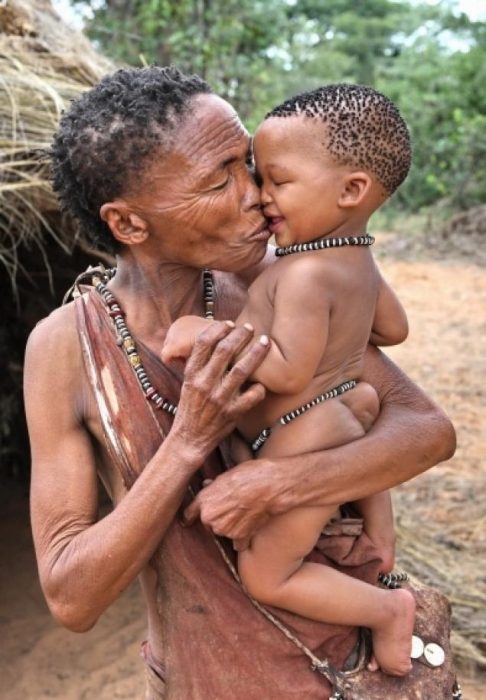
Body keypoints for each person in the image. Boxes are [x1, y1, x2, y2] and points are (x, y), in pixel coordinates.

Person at [24, 66, 455, 700]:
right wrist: (188, 441)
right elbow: (71, 595)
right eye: (219, 178)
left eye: (247, 162)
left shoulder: (279, 278)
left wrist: (277, 483)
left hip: (346, 664)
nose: (255, 192)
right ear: (130, 224)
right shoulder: (66, 347)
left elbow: (426, 431)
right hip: (209, 676)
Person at [161, 84, 414, 676]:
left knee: (267, 574)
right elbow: (394, 329)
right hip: (346, 412)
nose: (262, 197)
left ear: (352, 190)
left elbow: (288, 370)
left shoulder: (300, 275)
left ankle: (387, 609)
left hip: (304, 432)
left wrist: (202, 330)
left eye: (278, 181)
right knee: (361, 430)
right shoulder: (356, 259)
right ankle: (382, 542)